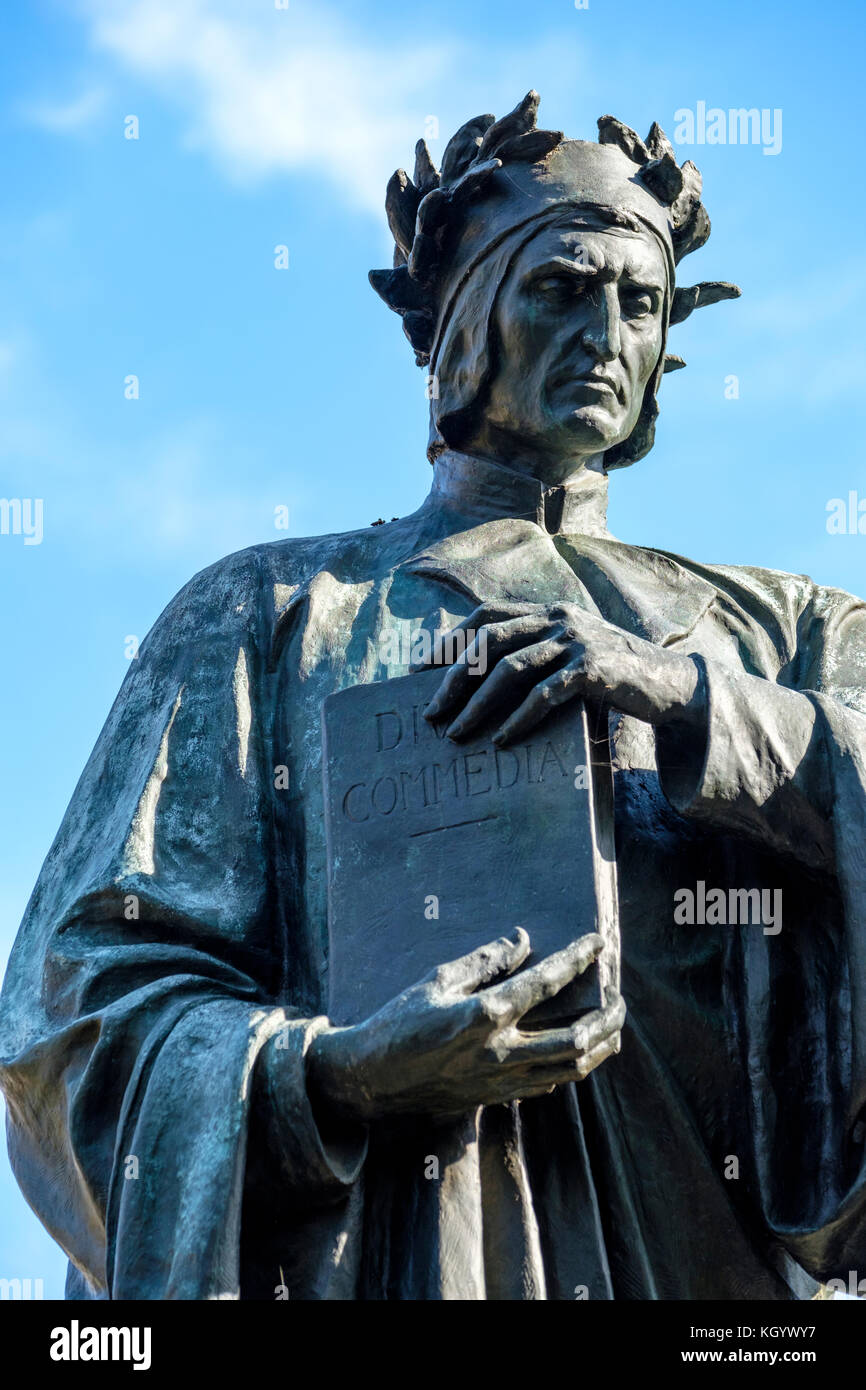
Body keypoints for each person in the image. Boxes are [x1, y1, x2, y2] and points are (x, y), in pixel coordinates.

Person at [3, 93, 866, 1300]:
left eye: (636, 301)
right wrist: (336, 1077)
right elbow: (76, 1012)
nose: (605, 334)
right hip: (406, 1251)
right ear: (464, 324)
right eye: (562, 288)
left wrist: (692, 705)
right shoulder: (270, 612)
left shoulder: (790, 633)